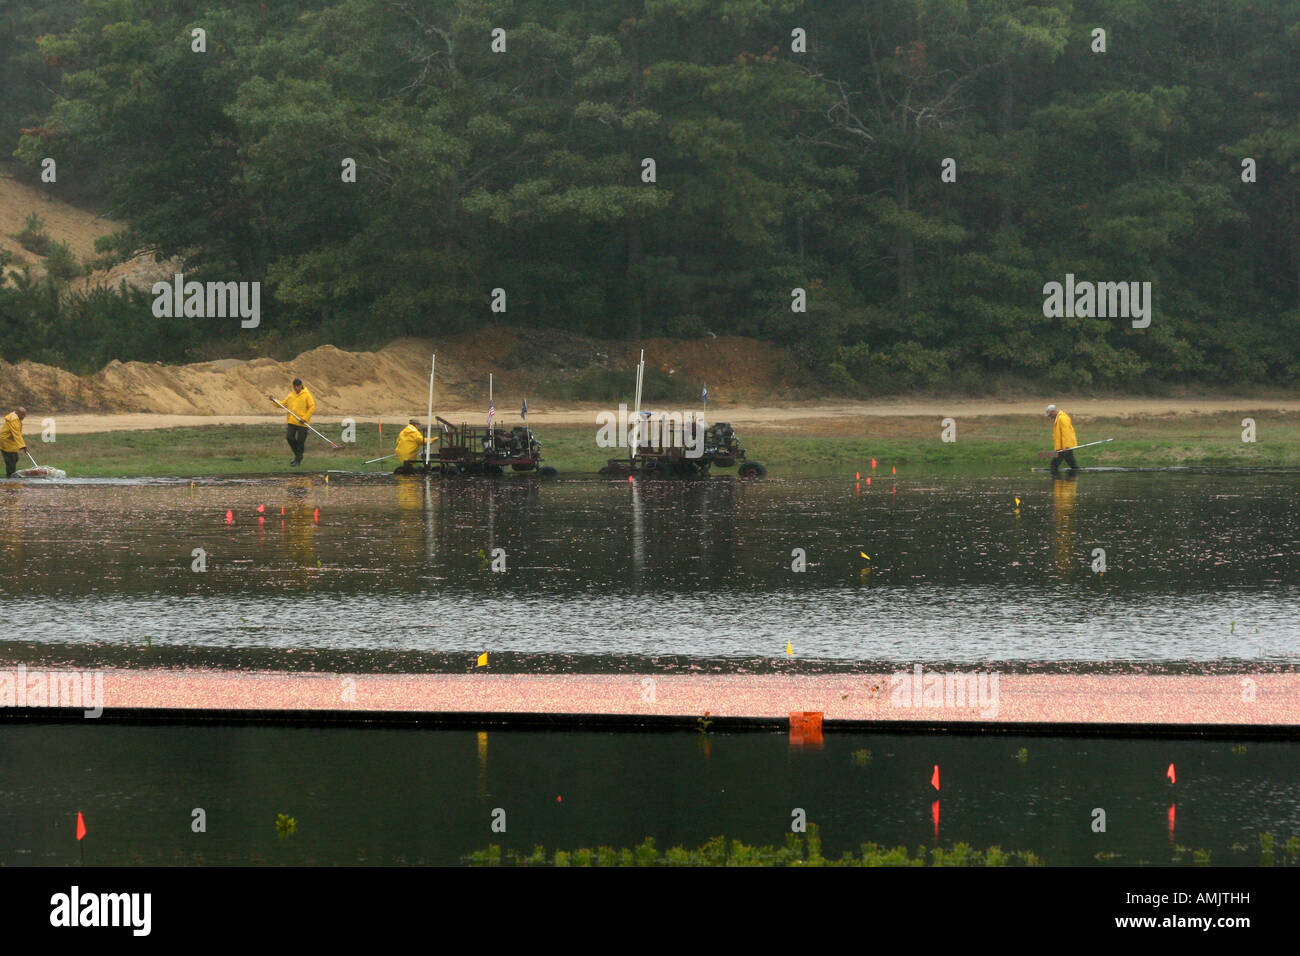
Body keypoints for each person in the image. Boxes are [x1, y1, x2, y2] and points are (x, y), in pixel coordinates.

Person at [270, 379, 315, 467]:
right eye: (294, 386)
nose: (296, 388)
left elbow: (312, 407)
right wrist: (274, 400)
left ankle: (297, 460)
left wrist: (305, 418)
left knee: (300, 441)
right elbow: (283, 404)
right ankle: (298, 456)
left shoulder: (307, 395)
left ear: (301, 385)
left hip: (303, 423)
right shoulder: (291, 395)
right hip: (292, 421)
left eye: (297, 386)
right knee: (289, 437)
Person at [1046, 404, 1080, 475]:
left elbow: (1066, 433)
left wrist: (1066, 446)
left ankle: (1055, 477)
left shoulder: (1062, 418)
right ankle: (1076, 472)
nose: (1049, 417)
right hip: (1062, 446)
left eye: (1050, 415)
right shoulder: (1058, 418)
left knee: (1054, 464)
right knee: (1071, 462)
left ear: (1053, 412)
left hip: (1064, 447)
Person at [0, 407, 27, 478]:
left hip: (9, 441)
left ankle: (12, 474)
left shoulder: (15, 417)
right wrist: (23, 446)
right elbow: (17, 434)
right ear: (18, 413)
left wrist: (22, 445)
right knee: (11, 460)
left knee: (15, 458)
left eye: (24, 415)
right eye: (22, 415)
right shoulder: (14, 420)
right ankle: (10, 477)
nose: (23, 417)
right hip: (6, 442)